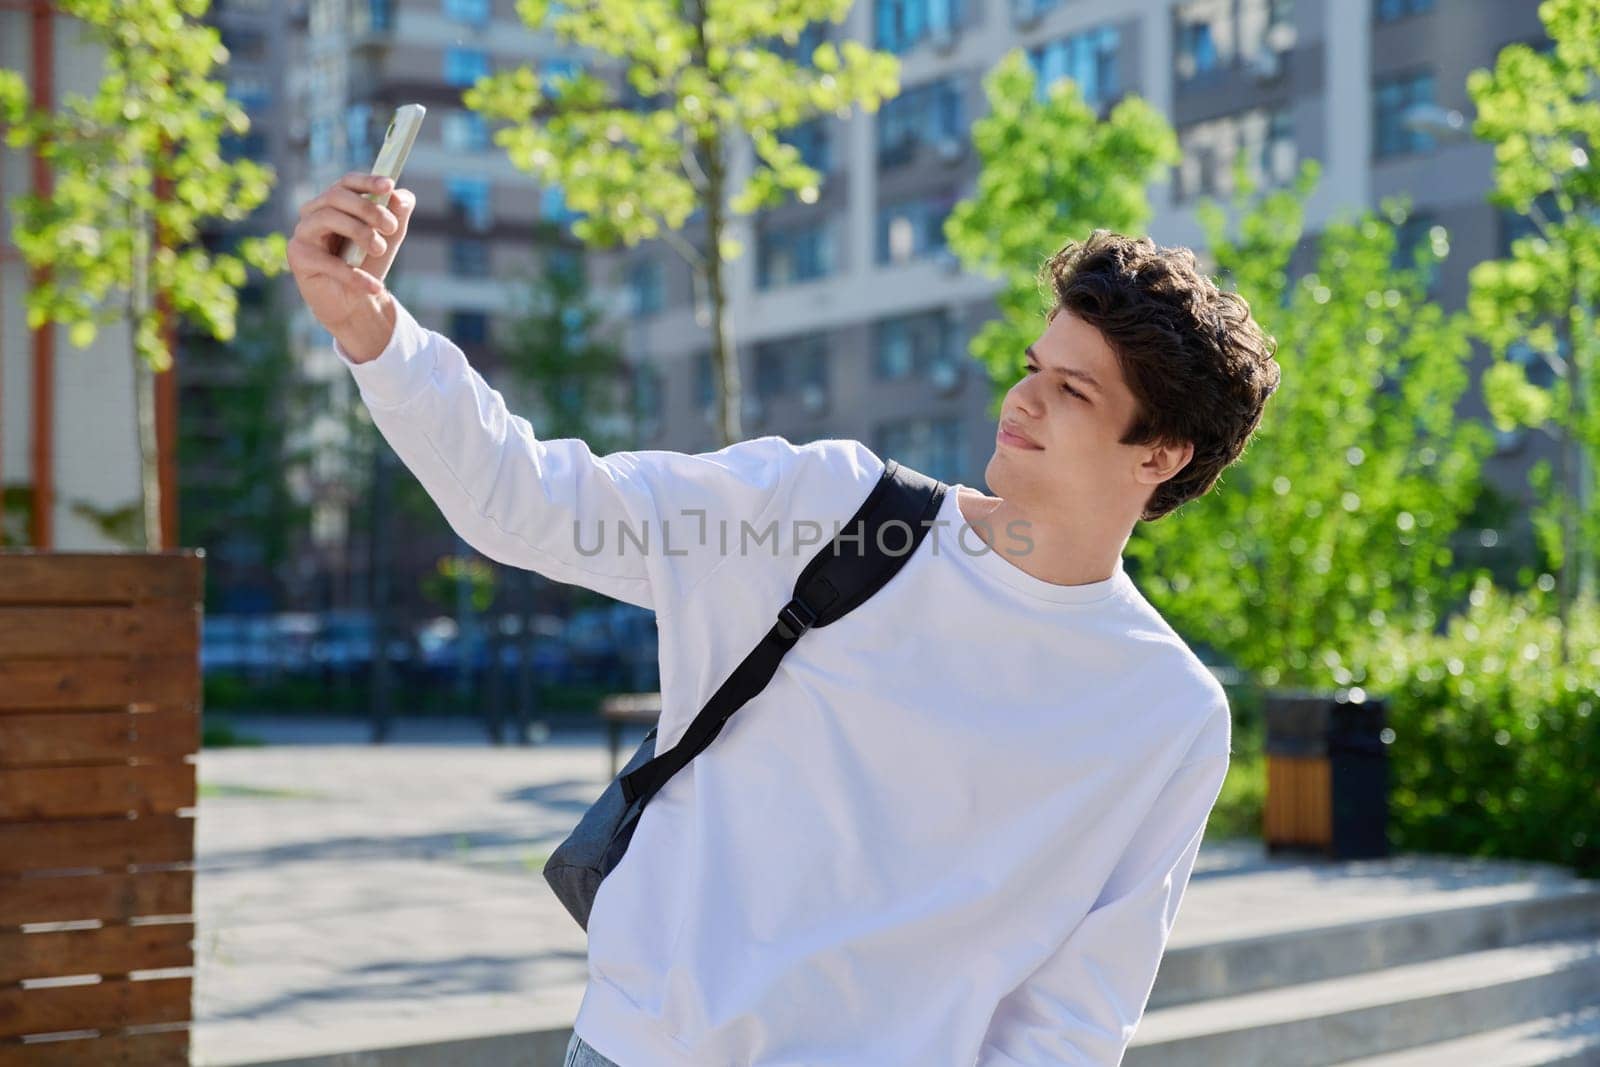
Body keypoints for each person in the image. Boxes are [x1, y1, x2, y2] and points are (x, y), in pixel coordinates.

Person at [288, 172, 1281, 1066]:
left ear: (1160, 455)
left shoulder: (1165, 712)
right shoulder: (823, 507)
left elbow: (1075, 1012)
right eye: (1033, 364)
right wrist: (377, 333)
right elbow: (535, 503)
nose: (1021, 398)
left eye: (1071, 389)